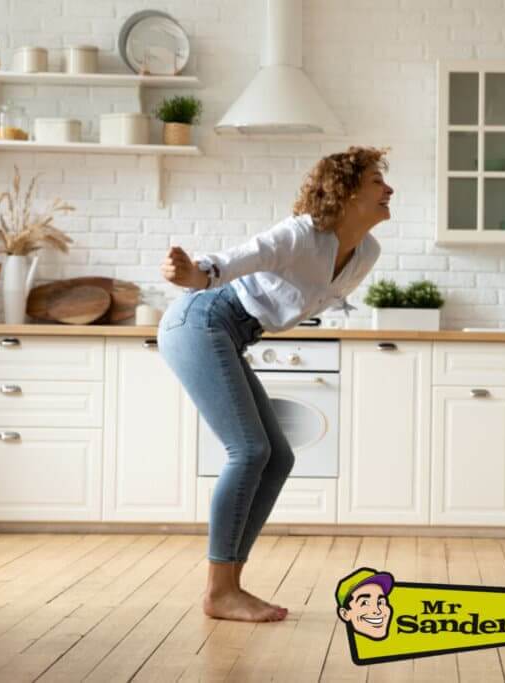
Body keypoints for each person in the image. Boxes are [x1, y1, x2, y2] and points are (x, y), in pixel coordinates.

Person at [158, 146, 393, 622]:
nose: (388, 189)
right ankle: (219, 590)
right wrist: (193, 273)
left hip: (234, 331)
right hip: (202, 317)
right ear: (344, 192)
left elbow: (300, 298)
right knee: (248, 451)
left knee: (277, 456)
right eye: (375, 181)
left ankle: (229, 585)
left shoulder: (365, 252)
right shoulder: (302, 234)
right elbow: (242, 258)